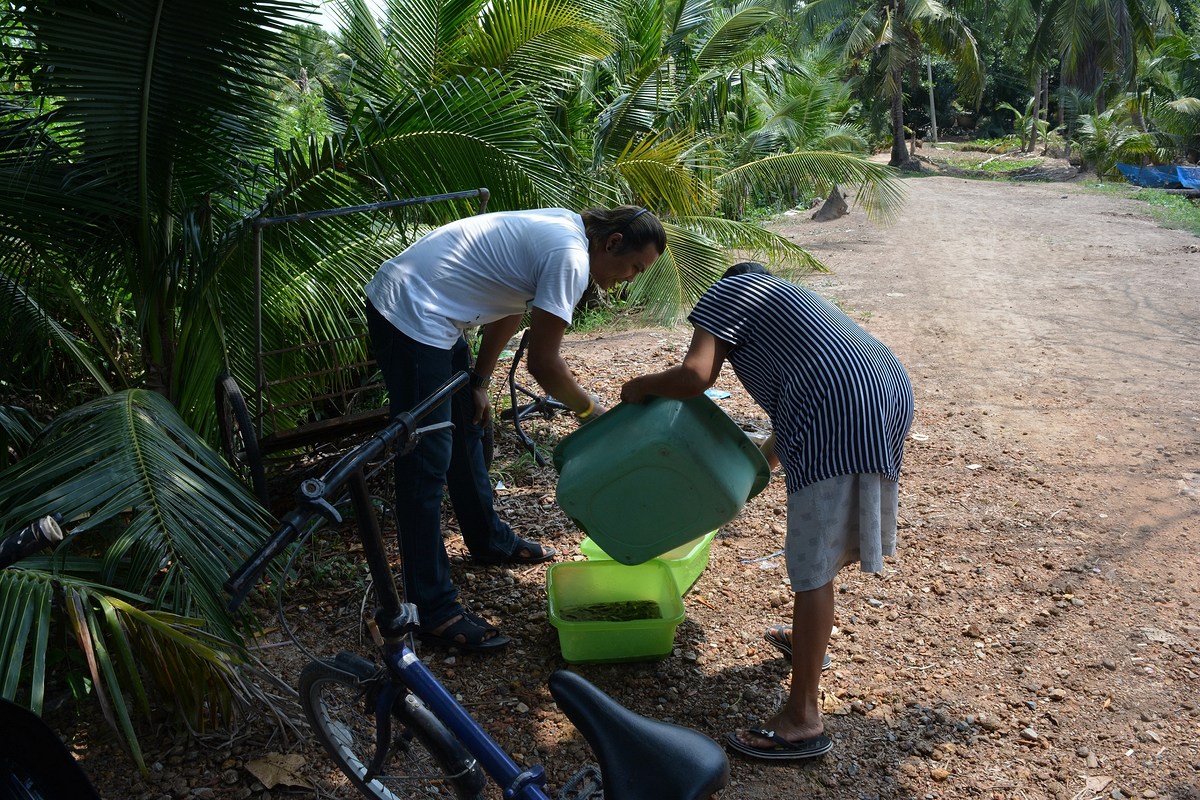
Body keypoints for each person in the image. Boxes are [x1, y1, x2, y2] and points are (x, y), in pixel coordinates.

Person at [619, 262, 913, 760]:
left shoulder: (728, 291)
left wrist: (640, 386)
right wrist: (749, 473)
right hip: (886, 388)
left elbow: (694, 376)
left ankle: (803, 718)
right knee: (827, 542)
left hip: (836, 405)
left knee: (811, 563)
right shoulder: (789, 304)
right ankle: (807, 643)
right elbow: (790, 420)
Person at [366, 205, 666, 652]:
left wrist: (480, 381)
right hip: (412, 309)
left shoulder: (565, 234)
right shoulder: (570, 256)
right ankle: (432, 610)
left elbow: (509, 306)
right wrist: (592, 414)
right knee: (425, 462)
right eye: (633, 267)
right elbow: (544, 364)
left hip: (439, 313)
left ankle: (487, 539)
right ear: (613, 242)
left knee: (467, 421)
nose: (629, 279)